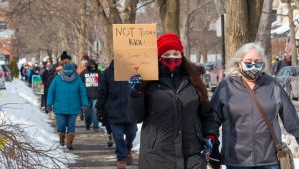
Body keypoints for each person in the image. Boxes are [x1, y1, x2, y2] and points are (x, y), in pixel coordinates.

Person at [126, 33, 218, 169]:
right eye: (166, 54)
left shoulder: (194, 79)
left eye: (175, 53)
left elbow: (207, 114)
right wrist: (136, 93)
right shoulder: (147, 81)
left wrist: (210, 135)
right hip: (157, 154)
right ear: (159, 56)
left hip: (192, 153)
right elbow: (135, 117)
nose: (172, 57)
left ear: (181, 54)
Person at [210, 43, 299, 169]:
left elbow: (292, 120)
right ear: (239, 62)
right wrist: (212, 146)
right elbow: (212, 120)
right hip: (236, 161)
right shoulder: (226, 87)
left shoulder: (273, 86)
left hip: (269, 160)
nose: (253, 66)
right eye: (248, 62)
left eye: (257, 62)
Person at [96, 60, 137, 169]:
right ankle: (121, 158)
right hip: (114, 110)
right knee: (118, 135)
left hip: (131, 110)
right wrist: (99, 108)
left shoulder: (133, 70)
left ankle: (128, 149)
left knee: (132, 133)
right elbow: (102, 91)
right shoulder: (108, 73)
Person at [46, 63, 89, 150]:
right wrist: (49, 103)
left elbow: (82, 92)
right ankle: (62, 138)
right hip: (60, 108)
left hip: (73, 108)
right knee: (61, 125)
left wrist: (85, 104)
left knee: (71, 125)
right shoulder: (57, 79)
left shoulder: (77, 80)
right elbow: (51, 92)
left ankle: (69, 142)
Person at [80, 59, 102, 132]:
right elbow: (80, 83)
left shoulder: (99, 72)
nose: (92, 67)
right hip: (86, 96)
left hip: (96, 95)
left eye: (94, 66)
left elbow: (103, 82)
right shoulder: (83, 73)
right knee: (87, 112)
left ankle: (95, 126)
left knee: (95, 111)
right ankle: (88, 124)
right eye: (91, 66)